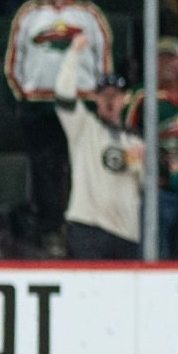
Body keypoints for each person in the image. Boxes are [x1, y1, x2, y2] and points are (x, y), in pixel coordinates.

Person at [6, 0, 112, 254]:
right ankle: (52, 231)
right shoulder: (28, 13)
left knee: (81, 170)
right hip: (39, 107)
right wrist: (24, 95)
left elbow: (104, 59)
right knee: (45, 169)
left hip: (80, 106)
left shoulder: (90, 14)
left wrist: (99, 98)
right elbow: (14, 62)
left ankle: (82, 232)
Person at [56, 37, 144, 259]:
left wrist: (142, 165)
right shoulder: (83, 127)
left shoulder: (136, 139)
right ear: (95, 98)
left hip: (126, 232)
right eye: (105, 96)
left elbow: (145, 186)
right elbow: (64, 94)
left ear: (125, 99)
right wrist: (74, 54)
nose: (110, 101)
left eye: (116, 96)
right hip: (88, 229)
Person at [125, 36, 178, 259]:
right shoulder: (141, 96)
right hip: (156, 190)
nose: (167, 63)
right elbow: (125, 135)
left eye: (172, 58)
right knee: (153, 258)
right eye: (160, 58)